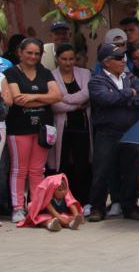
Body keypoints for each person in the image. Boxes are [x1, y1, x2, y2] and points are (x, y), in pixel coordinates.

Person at [87, 43, 139, 221]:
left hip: (130, 131)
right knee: (102, 170)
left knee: (130, 170)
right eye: (118, 58)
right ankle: (97, 208)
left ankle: (130, 206)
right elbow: (105, 99)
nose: (123, 61)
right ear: (106, 62)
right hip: (107, 132)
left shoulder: (131, 77)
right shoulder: (97, 80)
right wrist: (129, 94)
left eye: (123, 57)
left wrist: (123, 99)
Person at [2, 38, 61, 224]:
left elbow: (57, 96)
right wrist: (44, 98)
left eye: (37, 53)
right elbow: (18, 99)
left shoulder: (45, 72)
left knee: (37, 170)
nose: (33, 57)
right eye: (29, 52)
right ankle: (18, 208)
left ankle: (37, 206)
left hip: (43, 128)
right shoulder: (11, 72)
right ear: (20, 52)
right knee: (19, 170)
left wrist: (32, 96)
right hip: (19, 127)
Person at [48, 44, 91, 215]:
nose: (68, 62)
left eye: (71, 59)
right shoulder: (50, 76)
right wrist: (75, 105)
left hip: (82, 127)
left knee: (83, 165)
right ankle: (65, 203)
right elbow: (54, 103)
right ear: (57, 59)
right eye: (64, 59)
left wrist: (65, 98)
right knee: (63, 166)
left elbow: (87, 94)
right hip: (62, 129)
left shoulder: (85, 73)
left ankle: (84, 201)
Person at [16, 173, 83, 231]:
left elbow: (72, 205)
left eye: (65, 189)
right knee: (43, 220)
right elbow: (53, 212)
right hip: (49, 216)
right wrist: (61, 219)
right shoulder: (48, 200)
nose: (63, 192)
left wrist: (76, 216)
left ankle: (72, 224)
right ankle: (51, 225)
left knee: (68, 218)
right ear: (52, 190)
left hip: (62, 215)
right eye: (59, 190)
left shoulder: (66, 197)